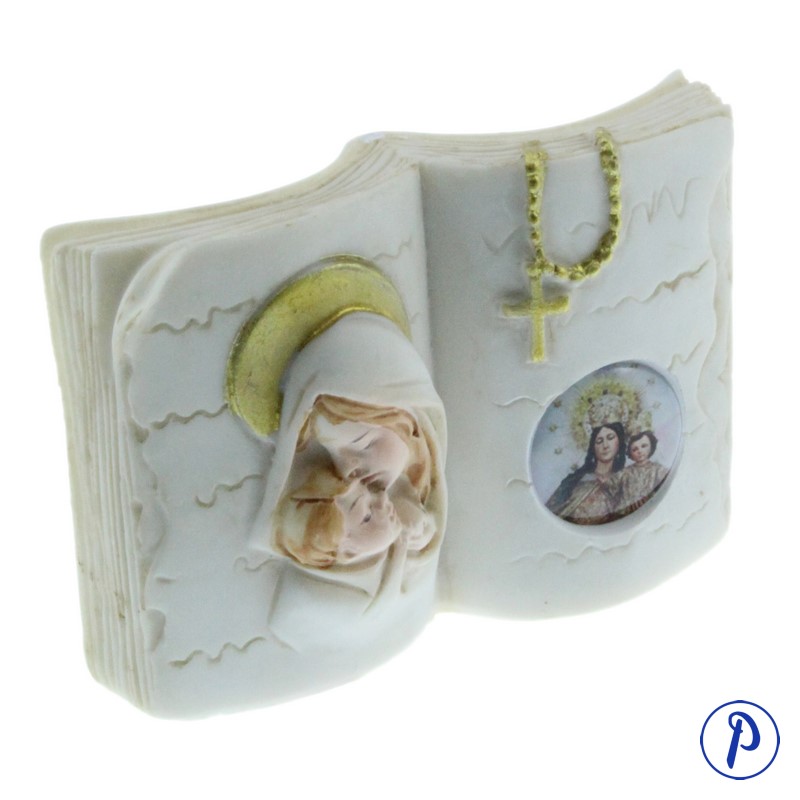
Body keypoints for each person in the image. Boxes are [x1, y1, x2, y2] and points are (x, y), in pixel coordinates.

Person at [546, 422, 626, 525]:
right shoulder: (576, 480)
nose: (605, 445)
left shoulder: (624, 481)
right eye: (599, 441)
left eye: (610, 438)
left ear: (619, 442)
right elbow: (552, 512)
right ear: (593, 447)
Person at [615, 430, 669, 516]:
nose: (639, 451)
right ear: (630, 452)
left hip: (651, 509)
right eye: (635, 449)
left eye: (643, 446)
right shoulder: (625, 473)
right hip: (626, 512)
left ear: (651, 446)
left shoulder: (657, 470)